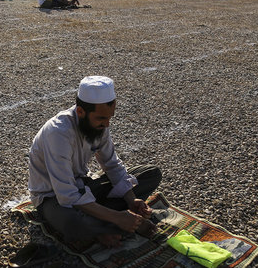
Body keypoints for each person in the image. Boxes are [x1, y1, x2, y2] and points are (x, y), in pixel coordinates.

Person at [28, 76, 162, 248]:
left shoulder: (99, 124)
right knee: (71, 223)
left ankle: (103, 223)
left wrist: (131, 199)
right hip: (52, 197)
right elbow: (67, 195)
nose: (106, 124)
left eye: (109, 118)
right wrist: (118, 218)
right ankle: (107, 226)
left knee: (150, 173)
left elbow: (112, 164)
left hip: (83, 185)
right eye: (101, 119)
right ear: (80, 112)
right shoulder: (58, 133)